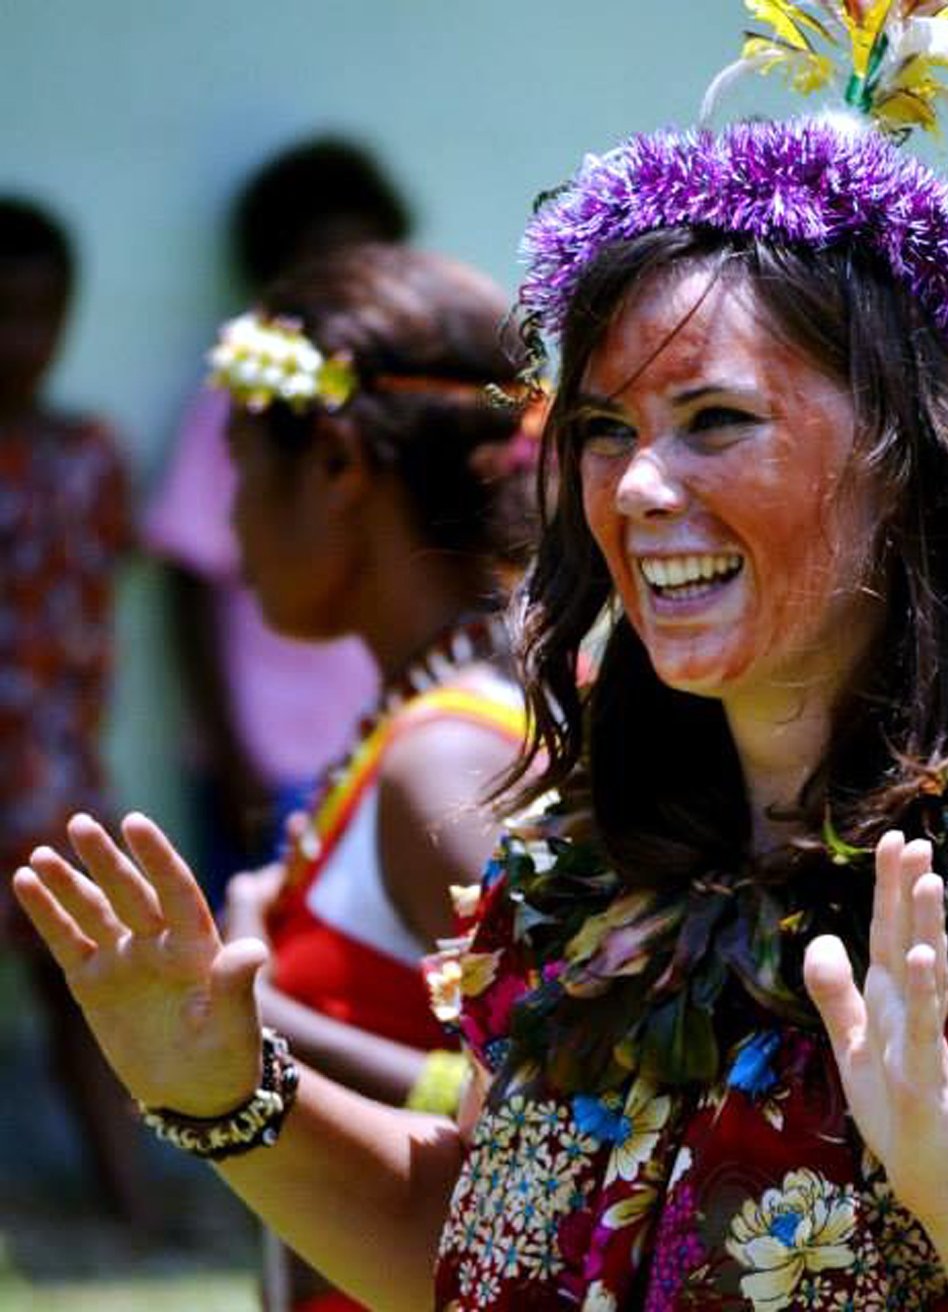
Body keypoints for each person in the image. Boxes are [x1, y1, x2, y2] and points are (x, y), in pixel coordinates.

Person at [11, 7, 948, 1309]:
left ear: (907, 469)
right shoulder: (574, 885)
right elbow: (474, 1248)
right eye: (602, 427)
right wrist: (221, 1093)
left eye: (715, 419)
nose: (638, 487)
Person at [197, 241, 534, 1310]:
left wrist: (243, 1020)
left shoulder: (447, 759)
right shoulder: (419, 726)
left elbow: (561, 1112)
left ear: (339, 465)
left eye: (244, 470)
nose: (229, 521)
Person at [144, 136, 413, 894]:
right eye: (317, 265)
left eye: (361, 263)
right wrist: (230, 755)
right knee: (264, 964)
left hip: (381, 752)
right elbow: (190, 580)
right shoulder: (236, 407)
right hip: (267, 763)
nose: (342, 289)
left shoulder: (407, 400)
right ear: (270, 270)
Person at [0, 195, 147, 1230]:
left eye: (43, 312)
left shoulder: (89, 449)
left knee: (78, 981)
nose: (22, 338)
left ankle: (128, 1197)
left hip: (54, 762)